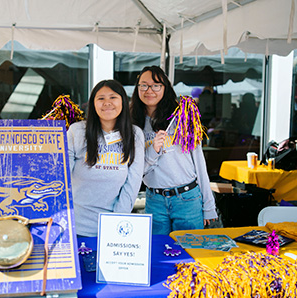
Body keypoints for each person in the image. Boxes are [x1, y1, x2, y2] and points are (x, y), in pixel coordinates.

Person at [130, 66, 217, 235]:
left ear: (165, 88)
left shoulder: (182, 117)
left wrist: (209, 205)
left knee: (190, 255)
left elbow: (199, 162)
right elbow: (136, 171)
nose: (150, 90)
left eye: (156, 85)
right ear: (137, 88)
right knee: (158, 254)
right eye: (144, 85)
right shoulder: (133, 124)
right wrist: (153, 151)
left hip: (187, 199)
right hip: (154, 200)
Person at [67, 79, 144, 237]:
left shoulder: (135, 134)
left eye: (113, 97)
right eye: (101, 98)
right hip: (74, 227)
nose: (107, 103)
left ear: (123, 101)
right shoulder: (77, 131)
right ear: (93, 104)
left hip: (113, 228)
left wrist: (116, 222)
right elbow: (62, 176)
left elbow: (133, 183)